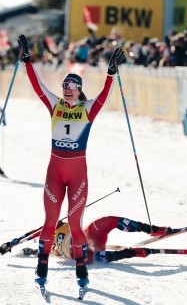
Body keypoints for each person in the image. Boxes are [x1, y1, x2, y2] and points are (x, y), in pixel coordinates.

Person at [17, 34, 127, 288]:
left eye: (72, 85)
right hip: (54, 172)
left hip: (78, 174)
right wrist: (26, 61)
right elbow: (38, 86)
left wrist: (111, 73)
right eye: (65, 84)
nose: (66, 88)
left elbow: (103, 96)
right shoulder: (54, 105)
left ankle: (81, 272)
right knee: (49, 223)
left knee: (76, 226)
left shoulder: (87, 109)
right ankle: (41, 268)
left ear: (78, 90)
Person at [0, 216, 172, 263]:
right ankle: (132, 253)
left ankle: (152, 230)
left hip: (86, 237)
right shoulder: (48, 237)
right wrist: (10, 244)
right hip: (79, 251)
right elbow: (29, 236)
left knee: (109, 220)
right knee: (91, 256)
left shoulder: (62, 226)